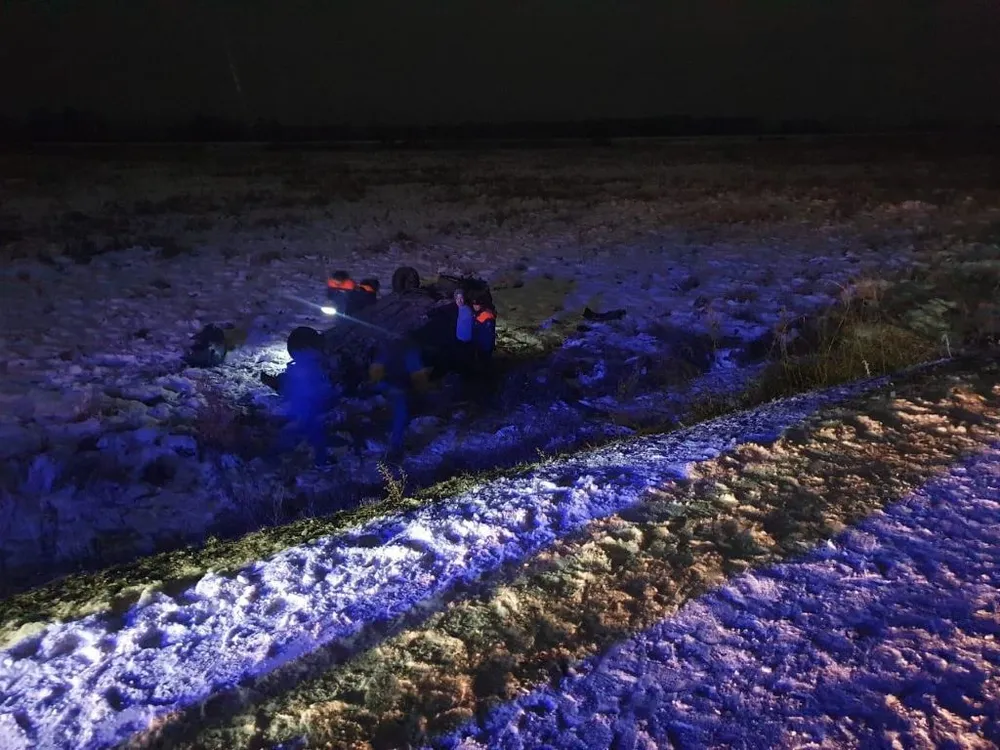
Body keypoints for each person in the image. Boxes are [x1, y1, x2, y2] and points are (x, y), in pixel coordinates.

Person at [275, 326, 340, 466]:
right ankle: (317, 459)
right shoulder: (302, 369)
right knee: (311, 429)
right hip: (307, 405)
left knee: (312, 430)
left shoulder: (308, 367)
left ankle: (316, 456)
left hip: (310, 405)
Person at [368, 335, 432, 461]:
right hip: (394, 387)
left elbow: (375, 370)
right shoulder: (411, 350)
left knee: (398, 410)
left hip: (384, 385)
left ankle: (391, 435)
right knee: (401, 413)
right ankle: (395, 448)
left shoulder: (387, 348)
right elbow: (418, 376)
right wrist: (424, 391)